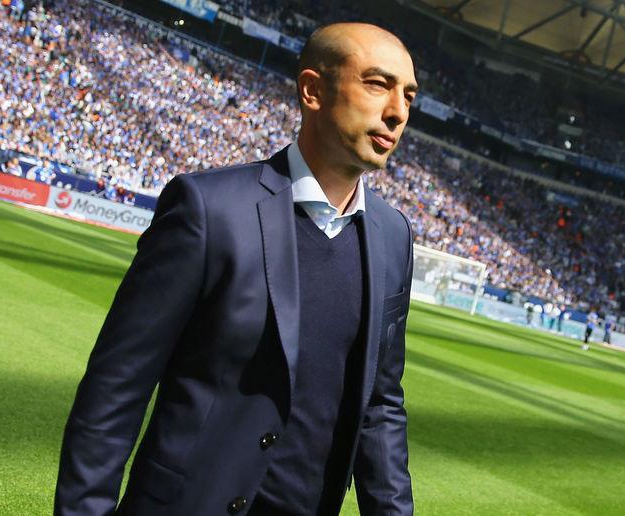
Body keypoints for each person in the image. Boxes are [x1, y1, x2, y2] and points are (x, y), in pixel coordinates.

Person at [55, 22, 418, 516]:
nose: (397, 112)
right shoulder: (209, 209)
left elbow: (380, 406)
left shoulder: (392, 236)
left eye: (409, 96)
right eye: (378, 84)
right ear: (312, 90)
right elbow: (116, 388)